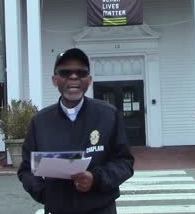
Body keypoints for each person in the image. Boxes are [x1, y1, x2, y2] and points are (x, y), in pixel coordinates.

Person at [18, 48, 135, 214]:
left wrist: (96, 178)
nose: (73, 77)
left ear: (89, 79)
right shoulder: (40, 122)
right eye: (65, 72)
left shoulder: (108, 115)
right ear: (54, 80)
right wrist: (46, 194)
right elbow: (26, 169)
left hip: (100, 209)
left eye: (81, 72)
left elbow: (124, 162)